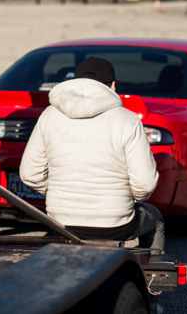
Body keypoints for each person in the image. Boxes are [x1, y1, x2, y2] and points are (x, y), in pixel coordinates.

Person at [19, 57, 164, 251]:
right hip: (114, 224)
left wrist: (60, 191)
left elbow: (29, 174)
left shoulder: (49, 115)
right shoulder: (128, 120)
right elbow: (145, 183)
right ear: (112, 86)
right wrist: (126, 198)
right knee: (156, 220)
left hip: (61, 222)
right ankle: (151, 276)